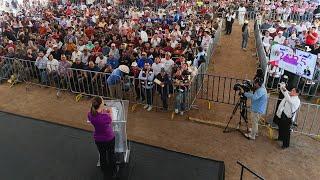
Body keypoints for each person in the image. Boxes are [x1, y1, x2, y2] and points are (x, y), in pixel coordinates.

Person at [87, 96, 116, 178]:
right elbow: (111, 119)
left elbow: (97, 114)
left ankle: (104, 170)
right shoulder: (105, 117)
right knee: (111, 154)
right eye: (102, 101)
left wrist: (103, 110)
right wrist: (110, 111)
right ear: (100, 105)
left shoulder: (90, 114)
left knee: (102, 155)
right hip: (109, 138)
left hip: (98, 139)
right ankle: (113, 170)